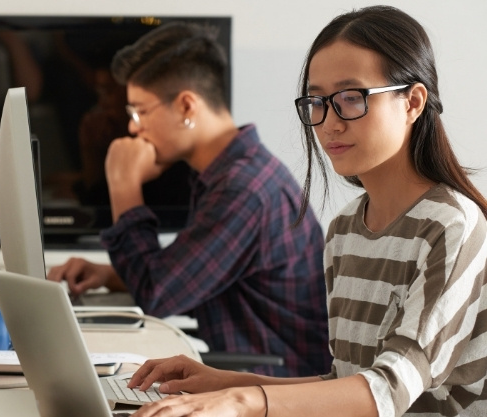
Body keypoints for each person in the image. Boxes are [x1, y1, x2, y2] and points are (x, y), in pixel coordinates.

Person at [125, 6, 487, 417]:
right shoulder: (345, 229)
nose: (328, 122)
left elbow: (389, 389)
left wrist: (241, 401)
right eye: (317, 101)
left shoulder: (452, 224)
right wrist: (220, 381)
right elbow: (346, 383)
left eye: (351, 98)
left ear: (413, 102)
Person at [47, 22, 331, 377]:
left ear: (186, 106)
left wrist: (123, 185)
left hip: (273, 393)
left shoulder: (244, 190)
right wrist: (110, 275)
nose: (133, 127)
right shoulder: (230, 174)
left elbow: (157, 295)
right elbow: (189, 278)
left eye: (139, 111)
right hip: (247, 383)